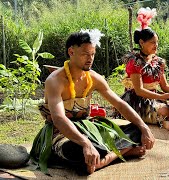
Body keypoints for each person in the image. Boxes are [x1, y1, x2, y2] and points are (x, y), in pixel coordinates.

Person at [30, 29, 155, 175]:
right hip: (60, 134)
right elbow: (58, 119)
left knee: (136, 129)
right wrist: (85, 143)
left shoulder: (94, 78)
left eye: (93, 54)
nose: (90, 59)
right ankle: (121, 153)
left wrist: (144, 127)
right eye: (85, 54)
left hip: (88, 130)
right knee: (79, 152)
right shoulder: (55, 81)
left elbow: (120, 104)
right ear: (71, 52)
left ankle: (104, 159)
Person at [114, 8, 169, 132]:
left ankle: (164, 119)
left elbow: (165, 85)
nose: (156, 46)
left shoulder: (158, 62)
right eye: (152, 42)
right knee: (166, 110)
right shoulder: (134, 62)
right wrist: (163, 97)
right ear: (141, 42)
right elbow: (140, 91)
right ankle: (162, 121)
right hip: (136, 100)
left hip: (154, 96)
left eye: (157, 42)